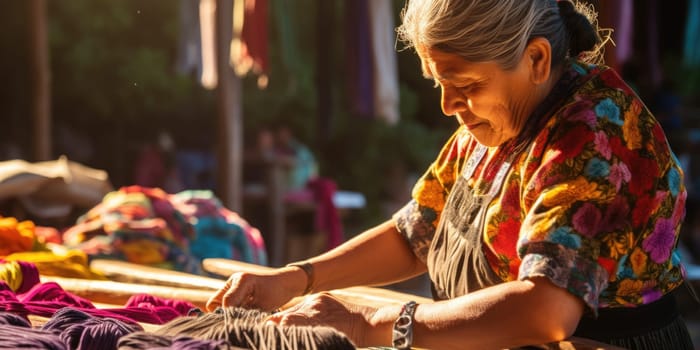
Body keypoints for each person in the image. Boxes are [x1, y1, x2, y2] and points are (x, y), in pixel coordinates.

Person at [207, 1, 694, 349]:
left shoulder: (597, 140)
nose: (447, 105)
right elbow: (417, 230)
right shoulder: (498, 120)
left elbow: (545, 312)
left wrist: (375, 321)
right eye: (439, 83)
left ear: (537, 59)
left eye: (465, 85)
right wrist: (295, 279)